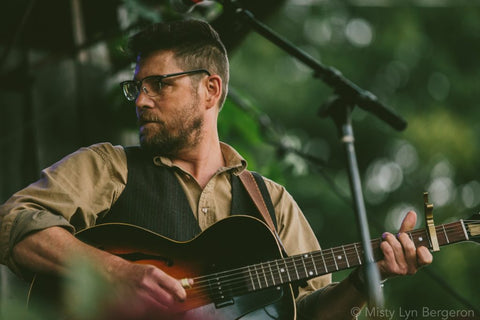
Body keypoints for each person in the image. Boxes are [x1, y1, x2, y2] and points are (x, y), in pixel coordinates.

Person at [0, 19, 432, 319]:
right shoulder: (110, 167)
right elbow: (13, 222)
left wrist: (365, 278)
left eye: (159, 85)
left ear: (210, 89)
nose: (141, 100)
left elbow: (315, 313)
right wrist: (116, 272)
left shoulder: (272, 201)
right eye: (137, 87)